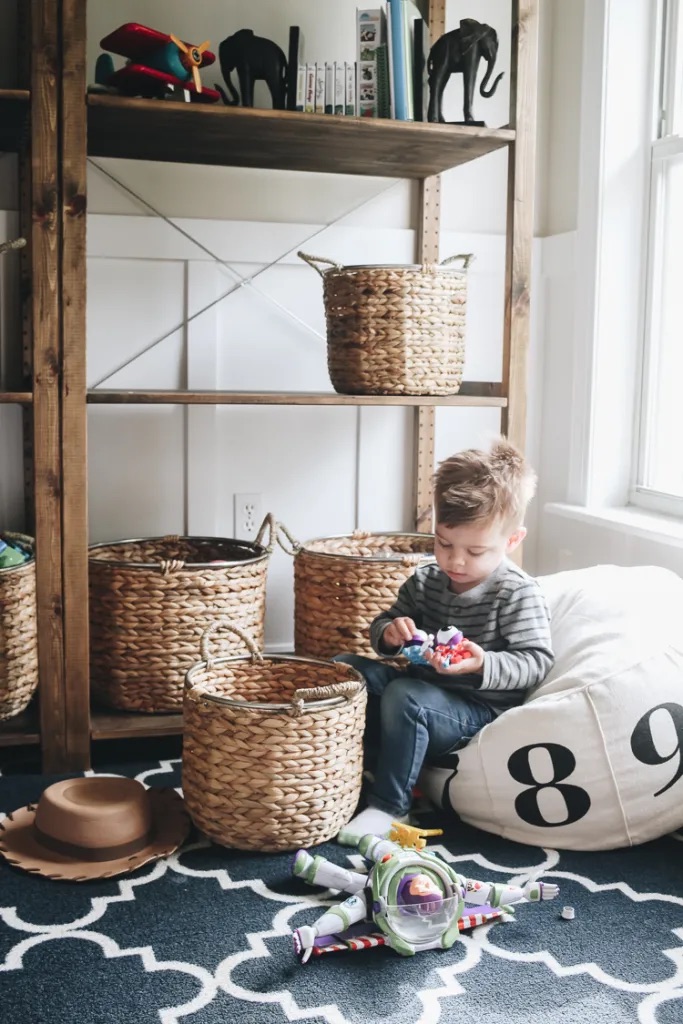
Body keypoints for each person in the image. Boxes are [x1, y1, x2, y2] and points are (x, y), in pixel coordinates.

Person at [334, 437, 554, 844]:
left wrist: (483, 663)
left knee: (405, 696)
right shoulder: (426, 579)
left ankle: (390, 804)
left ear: (512, 541)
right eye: (443, 543)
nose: (455, 561)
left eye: (475, 551)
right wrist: (390, 633)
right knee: (345, 669)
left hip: (473, 710)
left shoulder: (517, 593)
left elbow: (537, 661)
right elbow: (383, 625)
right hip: (418, 690)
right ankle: (351, 768)